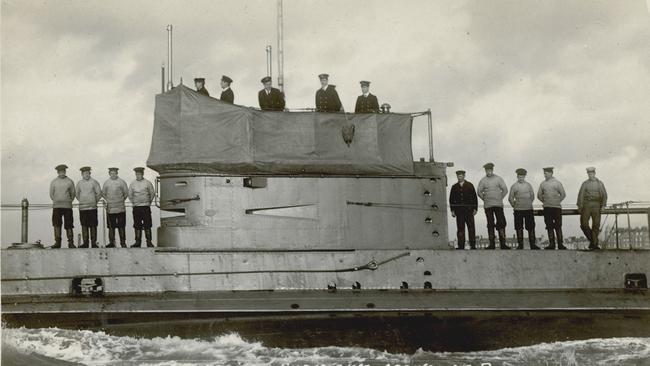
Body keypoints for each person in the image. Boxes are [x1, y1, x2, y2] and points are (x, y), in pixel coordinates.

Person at [477, 162, 509, 249]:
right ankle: (492, 244)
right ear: (485, 171)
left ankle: (503, 244)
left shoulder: (498, 179)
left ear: (492, 170)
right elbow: (479, 192)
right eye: (487, 171)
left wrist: (499, 198)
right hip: (488, 206)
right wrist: (485, 199)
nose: (488, 172)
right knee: (490, 223)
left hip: (498, 205)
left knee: (501, 223)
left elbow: (505, 190)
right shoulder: (483, 181)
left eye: (490, 170)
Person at [577, 167, 608, 250]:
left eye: (591, 174)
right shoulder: (585, 184)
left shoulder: (599, 183)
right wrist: (580, 206)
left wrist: (603, 206)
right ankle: (594, 241)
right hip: (586, 205)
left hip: (597, 205)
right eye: (589, 174)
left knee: (596, 225)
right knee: (584, 224)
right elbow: (581, 195)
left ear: (594, 174)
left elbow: (604, 195)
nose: (590, 175)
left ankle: (593, 244)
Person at [508, 168, 539, 250]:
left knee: (531, 226)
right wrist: (514, 205)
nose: (520, 178)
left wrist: (528, 203)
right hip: (518, 210)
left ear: (524, 176)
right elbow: (510, 198)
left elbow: (532, 196)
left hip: (528, 209)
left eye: (522, 176)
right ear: (517, 177)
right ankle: (520, 245)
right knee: (519, 227)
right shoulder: (514, 186)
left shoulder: (529, 185)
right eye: (519, 176)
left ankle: (533, 245)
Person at [537, 167, 567, 250]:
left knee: (558, 225)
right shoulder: (542, 184)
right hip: (547, 208)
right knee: (549, 225)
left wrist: (557, 201)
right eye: (544, 173)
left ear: (551, 173)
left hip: (556, 208)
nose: (545, 175)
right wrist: (545, 202)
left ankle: (560, 244)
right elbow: (539, 195)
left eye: (546, 173)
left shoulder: (557, 183)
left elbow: (563, 194)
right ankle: (552, 244)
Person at [449, 170, 478, 249]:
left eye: (461, 176)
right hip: (459, 212)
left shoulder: (470, 185)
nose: (460, 177)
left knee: (471, 228)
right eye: (458, 176)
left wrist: (475, 208)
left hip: (469, 211)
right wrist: (452, 210)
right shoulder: (454, 187)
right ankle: (461, 245)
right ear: (457, 177)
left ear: (464, 176)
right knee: (460, 229)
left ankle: (473, 245)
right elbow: (451, 199)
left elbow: (474, 197)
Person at [49, 164, 76, 248]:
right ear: (58, 172)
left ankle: (70, 242)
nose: (62, 173)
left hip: (67, 206)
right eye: (60, 172)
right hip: (57, 206)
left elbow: (73, 193)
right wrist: (57, 201)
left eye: (63, 171)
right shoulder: (54, 182)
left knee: (69, 224)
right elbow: (51, 194)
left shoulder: (70, 181)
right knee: (57, 224)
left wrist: (68, 201)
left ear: (65, 172)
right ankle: (57, 243)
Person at [129, 167, 156, 248]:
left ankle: (149, 242)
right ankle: (137, 242)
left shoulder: (147, 183)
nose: (138, 176)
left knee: (147, 224)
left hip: (145, 207)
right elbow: (130, 195)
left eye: (140, 174)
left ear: (142, 174)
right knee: (137, 225)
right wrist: (134, 203)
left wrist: (148, 202)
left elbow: (152, 193)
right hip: (136, 207)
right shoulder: (132, 184)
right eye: (137, 174)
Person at [102, 167, 129, 248]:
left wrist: (120, 201)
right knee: (111, 227)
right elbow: (103, 193)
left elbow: (126, 193)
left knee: (121, 226)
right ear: (109, 174)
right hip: (110, 209)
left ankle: (123, 243)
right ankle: (112, 243)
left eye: (114, 173)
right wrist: (109, 201)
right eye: (111, 173)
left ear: (117, 173)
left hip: (120, 208)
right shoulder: (106, 183)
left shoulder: (122, 182)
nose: (113, 174)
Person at [76, 166, 102, 248]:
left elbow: (99, 193)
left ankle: (93, 243)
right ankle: (85, 243)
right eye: (84, 173)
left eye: (87, 173)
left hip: (92, 208)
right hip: (83, 208)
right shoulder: (79, 183)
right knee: (84, 225)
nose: (86, 175)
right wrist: (82, 201)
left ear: (90, 174)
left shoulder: (94, 182)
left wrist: (94, 201)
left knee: (93, 225)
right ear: (82, 174)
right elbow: (77, 194)